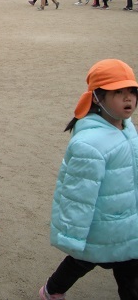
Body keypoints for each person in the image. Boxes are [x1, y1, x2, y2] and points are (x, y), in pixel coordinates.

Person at [39, 59, 138, 300]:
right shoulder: (89, 145)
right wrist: (73, 236)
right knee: (81, 261)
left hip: (128, 223)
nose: (128, 99)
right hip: (100, 225)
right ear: (97, 97)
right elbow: (78, 195)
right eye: (118, 92)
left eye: (132, 92)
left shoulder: (127, 127)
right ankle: (51, 290)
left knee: (130, 277)